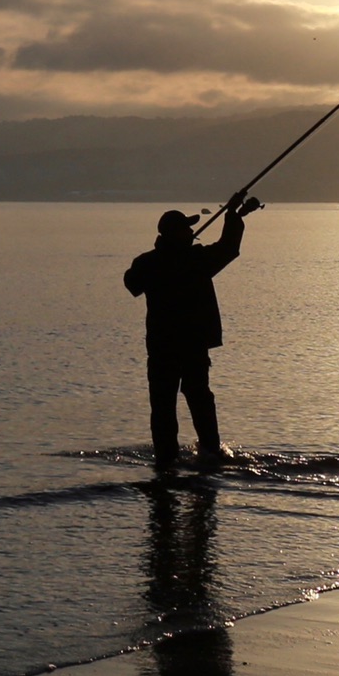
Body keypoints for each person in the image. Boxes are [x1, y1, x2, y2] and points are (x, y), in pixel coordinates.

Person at [123, 191, 256, 469]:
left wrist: (163, 257)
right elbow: (229, 247)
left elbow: (132, 283)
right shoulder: (196, 261)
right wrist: (233, 216)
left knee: (163, 404)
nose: (192, 231)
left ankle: (166, 459)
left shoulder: (149, 262)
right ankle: (209, 452)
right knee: (199, 399)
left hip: (161, 346)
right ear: (176, 234)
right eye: (187, 228)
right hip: (192, 344)